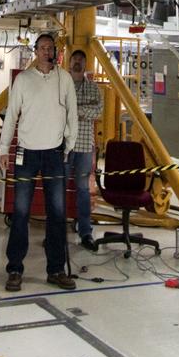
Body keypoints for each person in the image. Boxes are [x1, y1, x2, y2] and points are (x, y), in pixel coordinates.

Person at [0, 33, 78, 292]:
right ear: (35, 51)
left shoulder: (64, 79)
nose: (47, 52)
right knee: (20, 212)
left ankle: (55, 269)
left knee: (57, 213)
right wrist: (3, 149)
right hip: (26, 153)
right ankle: (15, 269)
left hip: (54, 153)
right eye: (42, 48)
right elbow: (11, 115)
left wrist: (69, 145)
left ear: (55, 51)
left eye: (50, 48)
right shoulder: (23, 80)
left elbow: (72, 115)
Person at [66, 50, 102, 250]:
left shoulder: (93, 89)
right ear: (69, 63)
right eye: (75, 59)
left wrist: (74, 111)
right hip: (63, 146)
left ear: (85, 64)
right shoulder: (62, 86)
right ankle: (55, 232)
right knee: (58, 189)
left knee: (83, 190)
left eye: (81, 60)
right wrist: (82, 112)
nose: (77, 62)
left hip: (83, 147)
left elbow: (97, 111)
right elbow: (57, 110)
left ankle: (86, 232)